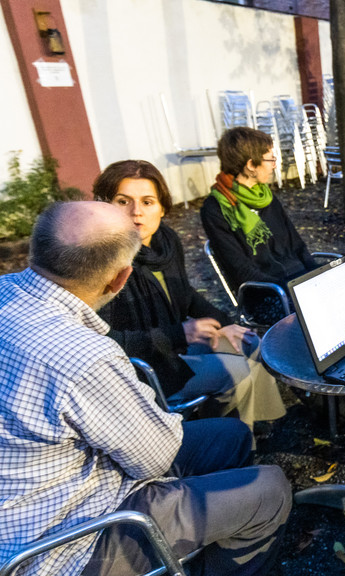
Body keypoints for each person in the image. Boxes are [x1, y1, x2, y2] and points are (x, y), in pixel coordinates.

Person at [0, 202, 291, 576]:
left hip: (51, 490)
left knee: (231, 435)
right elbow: (153, 458)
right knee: (271, 489)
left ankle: (201, 550)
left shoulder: (9, 293)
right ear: (120, 279)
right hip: (64, 546)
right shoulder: (83, 354)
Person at [93, 160, 286, 434]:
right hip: (145, 368)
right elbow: (106, 343)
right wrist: (179, 334)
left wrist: (224, 322)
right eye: (123, 201)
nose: (136, 213)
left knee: (249, 341)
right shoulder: (101, 262)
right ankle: (223, 438)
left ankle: (253, 424)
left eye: (148, 202)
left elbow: (185, 294)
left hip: (175, 345)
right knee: (237, 371)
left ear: (162, 208)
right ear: (104, 206)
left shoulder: (166, 242)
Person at [201, 126, 320, 292]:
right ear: (251, 165)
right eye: (271, 160)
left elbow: (298, 247)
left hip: (300, 280)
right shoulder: (216, 209)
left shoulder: (266, 197)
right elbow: (242, 272)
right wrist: (291, 290)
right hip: (266, 291)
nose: (275, 165)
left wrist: (319, 276)